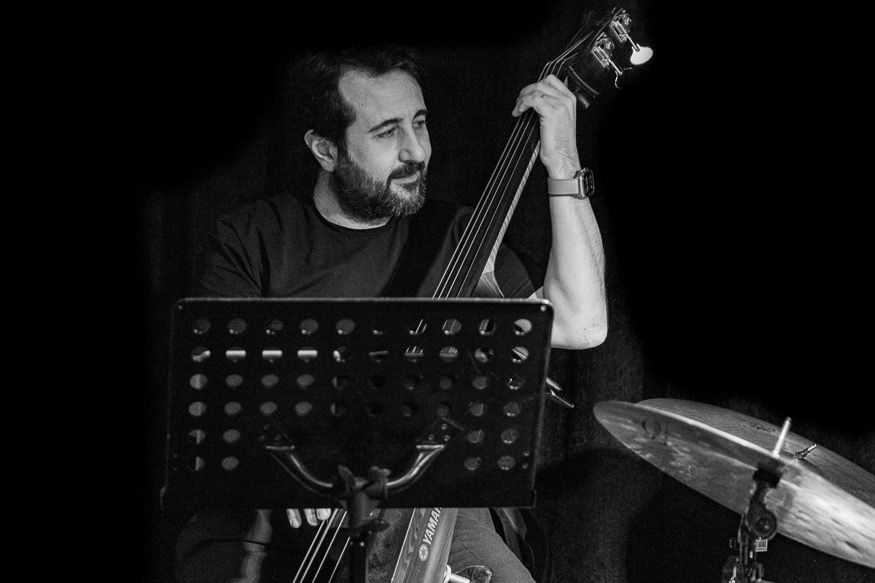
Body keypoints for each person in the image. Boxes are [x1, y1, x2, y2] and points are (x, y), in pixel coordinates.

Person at [177, 44, 607, 583]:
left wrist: (562, 162)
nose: (416, 151)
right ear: (325, 149)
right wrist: (299, 467)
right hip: (269, 514)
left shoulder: (464, 238)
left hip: (432, 506)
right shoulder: (253, 240)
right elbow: (222, 393)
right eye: (387, 133)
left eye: (419, 123)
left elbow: (582, 323)